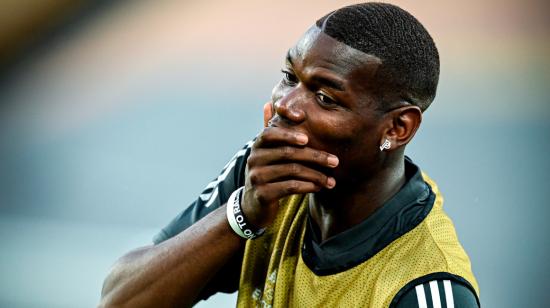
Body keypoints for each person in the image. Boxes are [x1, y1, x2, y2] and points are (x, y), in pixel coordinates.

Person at [100, 3, 479, 307]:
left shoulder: (424, 288)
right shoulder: (267, 176)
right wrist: (242, 215)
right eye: (289, 77)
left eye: (325, 98)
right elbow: (119, 300)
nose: (286, 106)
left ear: (396, 129)